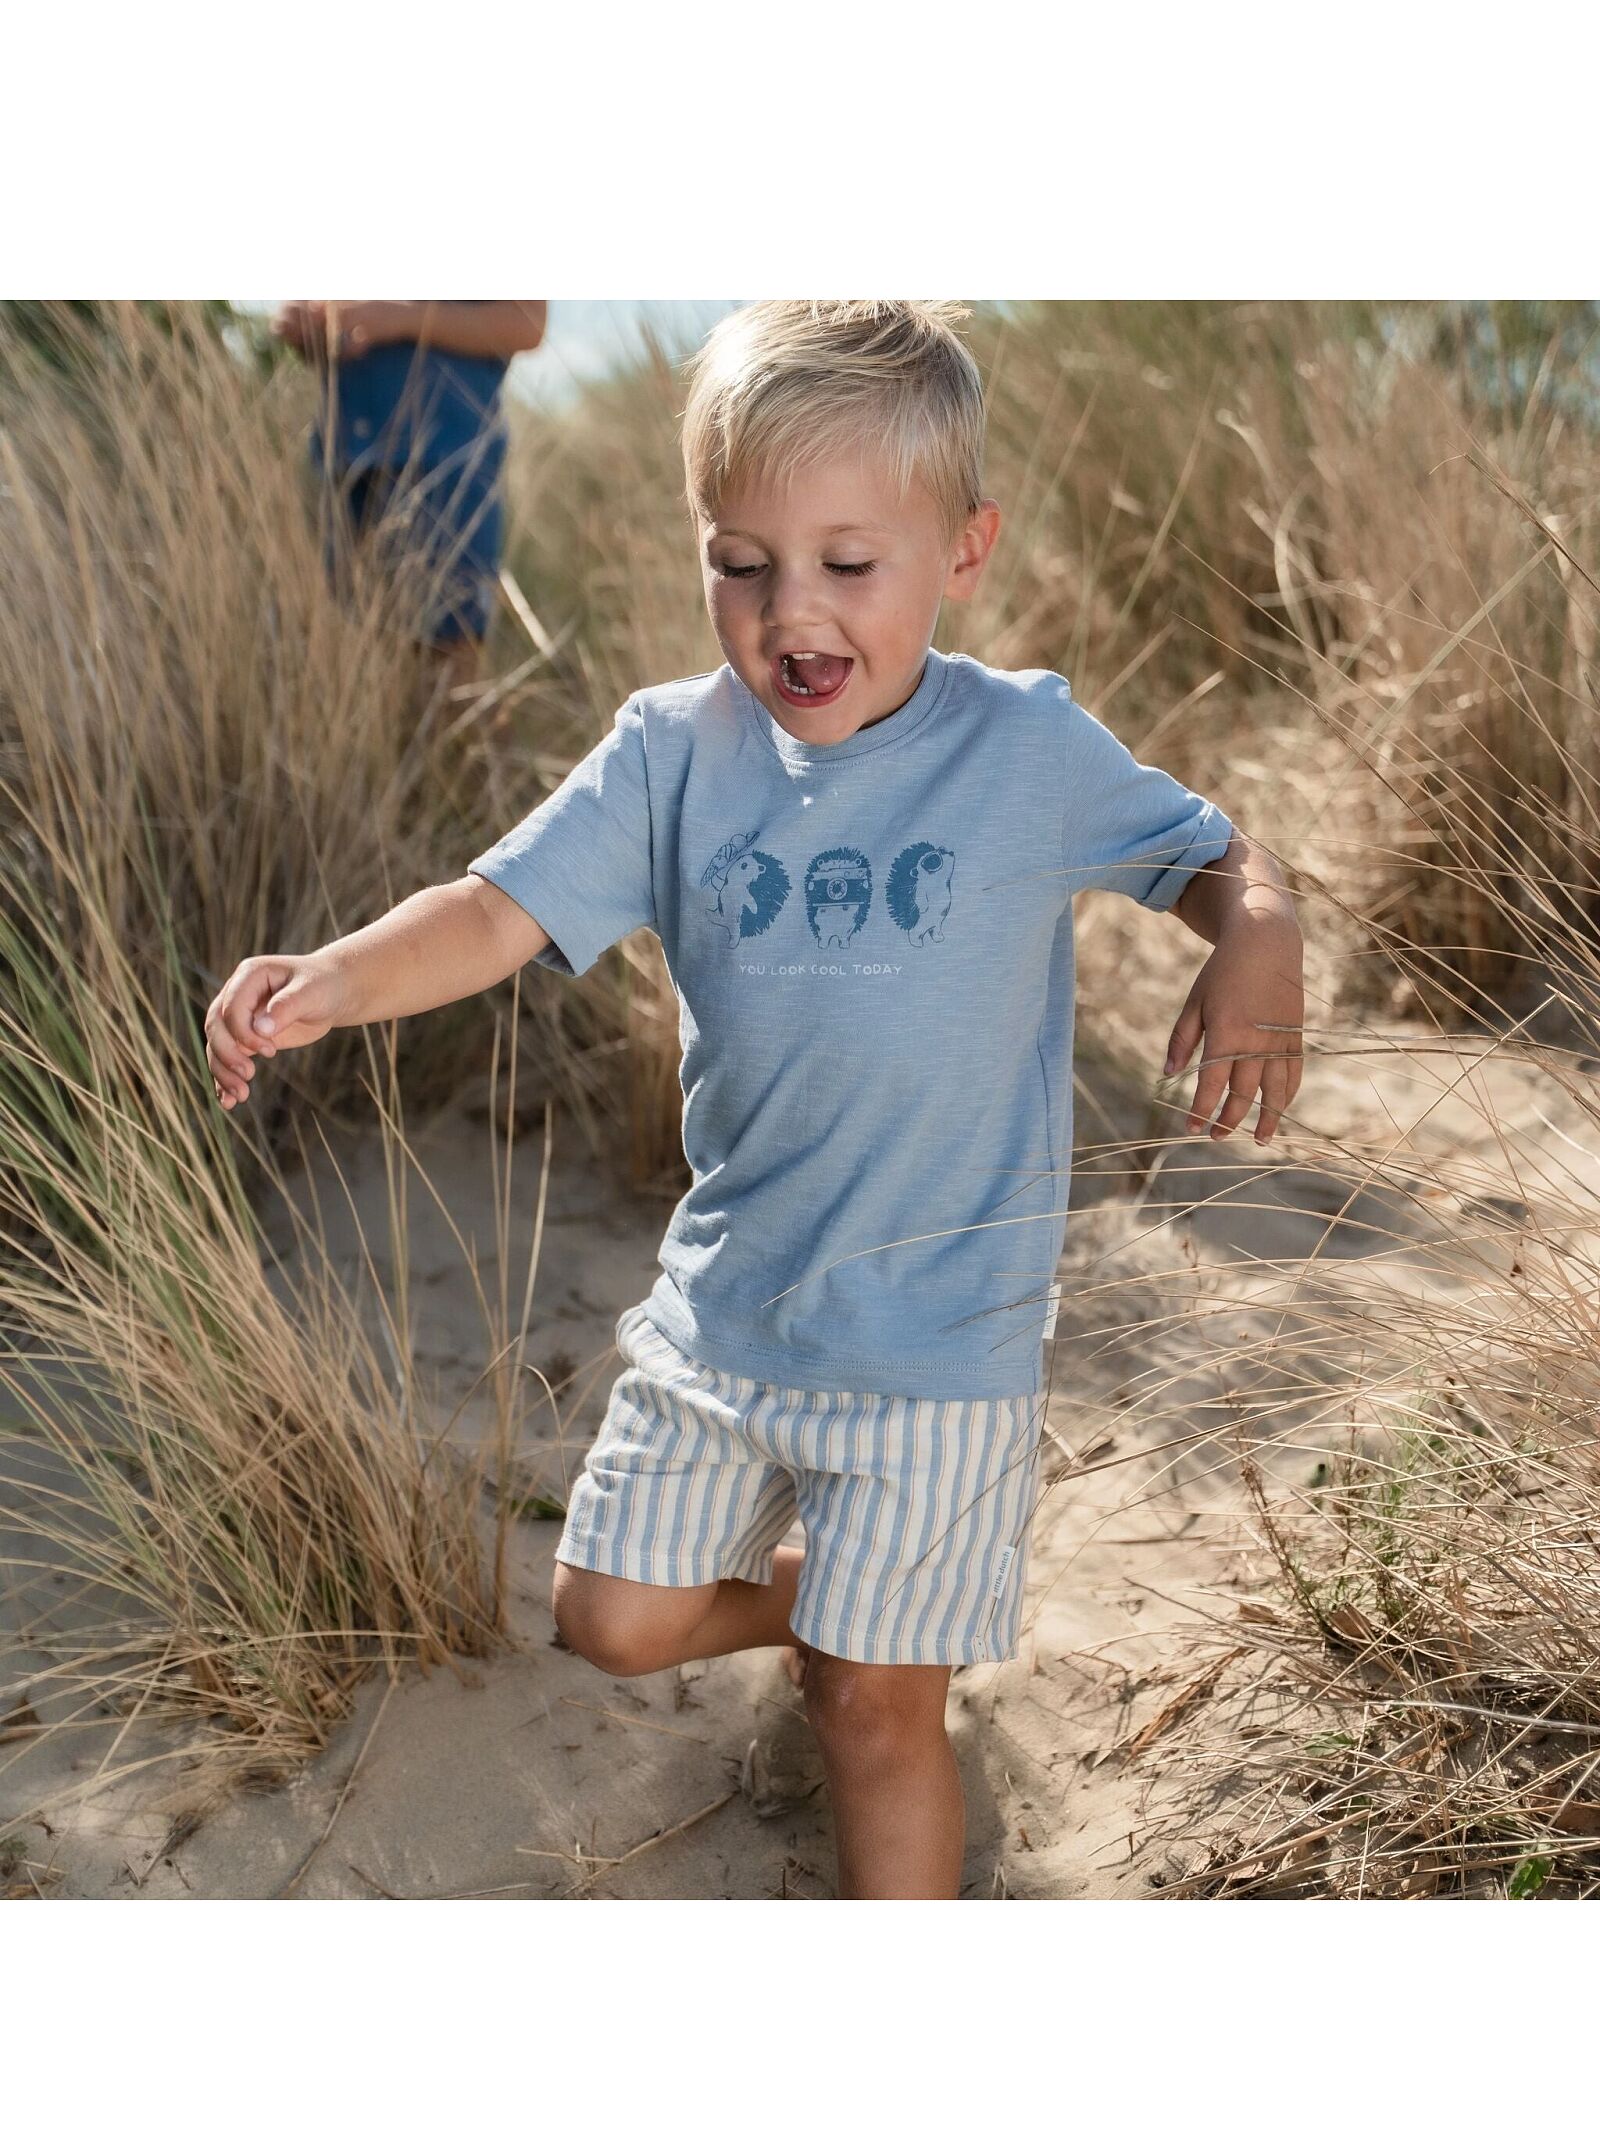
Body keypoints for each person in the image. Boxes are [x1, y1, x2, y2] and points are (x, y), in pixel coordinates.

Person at [206, 300, 1306, 1900]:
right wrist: (332, 978)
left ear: (963, 549)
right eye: (743, 561)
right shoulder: (673, 752)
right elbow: (494, 907)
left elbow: (1220, 857)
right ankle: (833, 1588)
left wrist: (1258, 935)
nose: (793, 611)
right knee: (612, 1617)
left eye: (851, 566)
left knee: (875, 1710)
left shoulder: (1025, 748)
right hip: (731, 1319)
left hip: (942, 1340)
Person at [271, 299, 547, 687]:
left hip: (447, 456)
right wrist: (307, 327)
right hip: (342, 454)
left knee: (449, 675)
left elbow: (526, 323)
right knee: (343, 662)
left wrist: (398, 319)